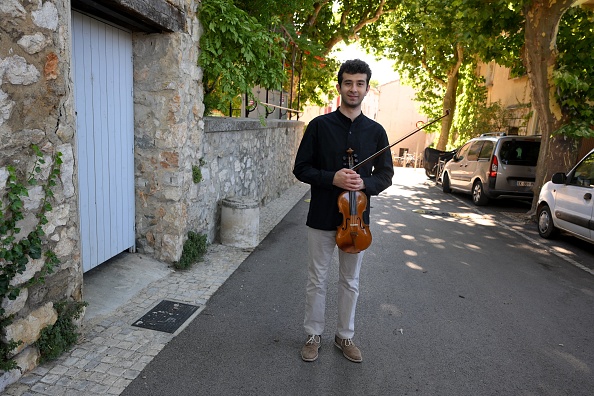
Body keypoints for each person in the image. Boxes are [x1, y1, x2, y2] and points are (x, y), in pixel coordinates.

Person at [293, 59, 394, 363]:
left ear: (366, 88)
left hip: (356, 222)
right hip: (322, 216)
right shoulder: (319, 126)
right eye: (348, 82)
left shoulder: (376, 132)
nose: (354, 88)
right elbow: (301, 168)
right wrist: (331, 178)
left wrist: (365, 182)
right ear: (339, 86)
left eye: (360, 83)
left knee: (351, 281)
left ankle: (344, 336)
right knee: (317, 278)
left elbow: (386, 175)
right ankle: (313, 334)